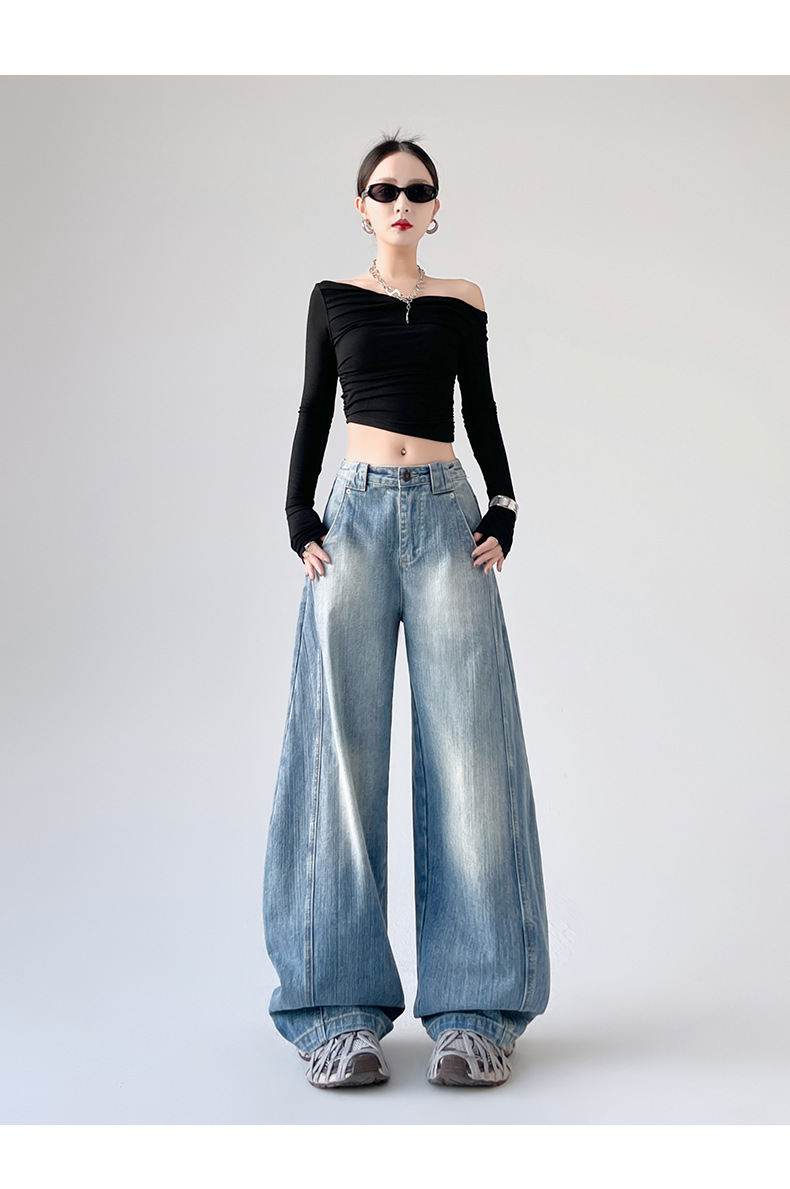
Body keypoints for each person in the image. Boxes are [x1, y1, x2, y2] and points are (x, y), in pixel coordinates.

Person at [262, 131, 550, 1090]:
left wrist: (504, 505)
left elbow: (483, 411)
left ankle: (475, 1013)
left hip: (445, 518)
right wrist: (297, 512)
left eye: (415, 191)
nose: (399, 202)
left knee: (469, 755)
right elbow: (313, 408)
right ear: (361, 206)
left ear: (434, 208)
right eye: (383, 190)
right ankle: (335, 1014)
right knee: (340, 757)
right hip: (350, 522)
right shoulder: (332, 299)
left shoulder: (462, 300)